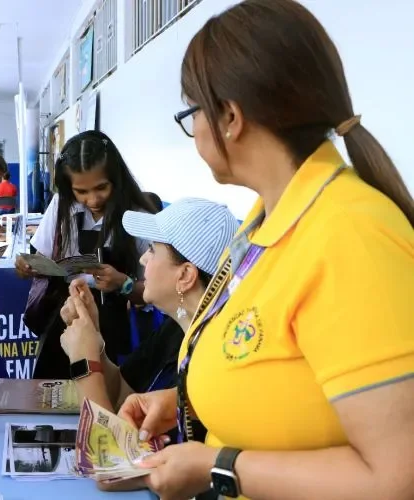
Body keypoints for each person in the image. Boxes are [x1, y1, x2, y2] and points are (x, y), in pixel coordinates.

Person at [107, 1, 414, 499]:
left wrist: (216, 466)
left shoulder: (349, 233)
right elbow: (279, 372)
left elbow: (397, 478)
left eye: (192, 113)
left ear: (230, 117)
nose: (194, 133)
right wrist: (188, 399)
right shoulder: (263, 221)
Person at [58, 198, 238, 417]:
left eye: (152, 249)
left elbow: (110, 448)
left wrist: (84, 362)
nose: (143, 259)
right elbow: (124, 397)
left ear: (185, 275)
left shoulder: (213, 360)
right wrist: (93, 339)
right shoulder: (176, 329)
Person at [15, 130, 157, 379]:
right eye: (81, 191)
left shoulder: (139, 217)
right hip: (65, 320)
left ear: (116, 178)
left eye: (101, 187)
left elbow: (154, 292)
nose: (93, 199)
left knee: (106, 397)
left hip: (115, 326)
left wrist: (123, 284)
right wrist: (28, 266)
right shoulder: (61, 205)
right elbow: (41, 256)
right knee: (52, 393)